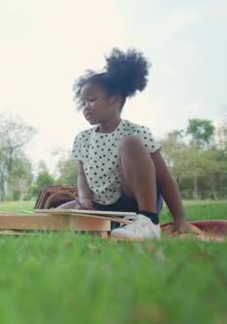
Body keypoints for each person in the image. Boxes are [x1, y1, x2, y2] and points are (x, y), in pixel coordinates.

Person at [58, 48, 189, 239]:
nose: (86, 107)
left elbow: (165, 178)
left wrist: (180, 218)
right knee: (56, 214)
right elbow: (82, 176)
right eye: (83, 101)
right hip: (101, 207)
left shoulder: (137, 133)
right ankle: (25, 225)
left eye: (92, 99)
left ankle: (148, 222)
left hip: (135, 204)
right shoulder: (82, 139)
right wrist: (85, 198)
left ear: (115, 100)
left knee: (131, 144)